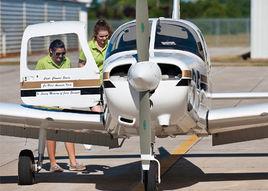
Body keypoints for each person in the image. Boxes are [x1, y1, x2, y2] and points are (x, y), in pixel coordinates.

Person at [36, 39, 86, 172]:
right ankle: (53, 164)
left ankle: (73, 163)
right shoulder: (42, 63)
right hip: (48, 104)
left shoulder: (67, 61)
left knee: (68, 131)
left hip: (64, 103)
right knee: (52, 133)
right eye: (57, 54)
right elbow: (35, 83)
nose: (60, 57)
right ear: (50, 51)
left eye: (62, 54)